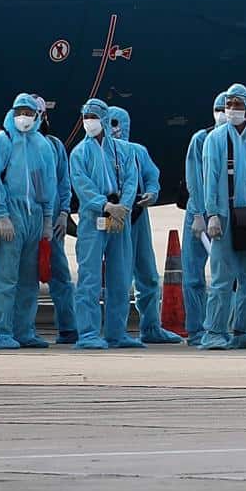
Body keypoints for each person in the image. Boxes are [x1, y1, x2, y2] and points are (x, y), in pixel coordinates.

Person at [198, 83, 246, 349]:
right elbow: (211, 179)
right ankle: (215, 331)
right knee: (222, 277)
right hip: (225, 217)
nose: (232, 110)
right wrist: (213, 215)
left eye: (237, 105)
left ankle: (243, 331)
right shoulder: (215, 140)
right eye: (229, 105)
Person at [0, 93, 57, 349]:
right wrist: (2, 216)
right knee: (6, 277)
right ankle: (0, 332)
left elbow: (47, 184)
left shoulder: (41, 145)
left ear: (37, 116)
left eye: (29, 112)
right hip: (12, 213)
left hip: (34, 215)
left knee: (29, 278)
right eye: (20, 112)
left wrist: (47, 219)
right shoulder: (1, 141)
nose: (23, 117)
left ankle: (24, 330)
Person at [107, 106, 183, 344]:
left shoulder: (138, 151)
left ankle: (151, 326)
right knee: (118, 276)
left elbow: (152, 176)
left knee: (148, 274)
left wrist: (152, 192)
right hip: (115, 216)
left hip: (139, 215)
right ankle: (115, 330)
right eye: (109, 122)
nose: (113, 129)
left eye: (117, 123)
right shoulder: (98, 153)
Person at [70, 98, 140, 349]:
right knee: (89, 277)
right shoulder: (79, 153)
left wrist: (123, 207)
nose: (89, 122)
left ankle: (117, 332)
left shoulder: (123, 150)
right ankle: (88, 333)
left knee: (120, 276)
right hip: (93, 219)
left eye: (94, 117)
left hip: (119, 218)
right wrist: (104, 205)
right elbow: (82, 185)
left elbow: (132, 180)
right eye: (86, 116)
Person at [182, 94, 227, 348]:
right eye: (219, 108)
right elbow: (195, 178)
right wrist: (199, 213)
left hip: (225, 214)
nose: (223, 113)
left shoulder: (240, 141)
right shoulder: (201, 139)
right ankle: (196, 329)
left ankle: (220, 326)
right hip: (200, 214)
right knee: (193, 277)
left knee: (226, 275)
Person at [39, 103, 78, 344]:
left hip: (53, 223)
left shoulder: (54, 146)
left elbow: (64, 182)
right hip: (23, 223)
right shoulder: (6, 144)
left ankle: (68, 327)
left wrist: (64, 212)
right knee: (17, 279)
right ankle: (14, 329)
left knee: (60, 275)